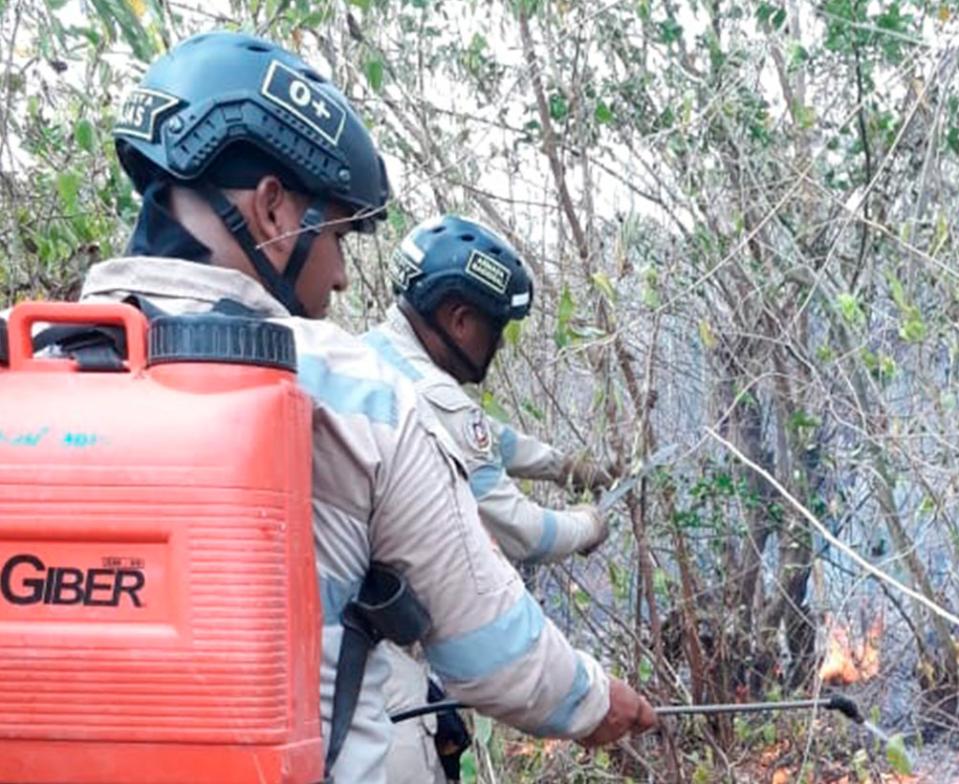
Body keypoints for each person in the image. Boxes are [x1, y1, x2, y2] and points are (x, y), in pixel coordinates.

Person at [75, 30, 655, 784]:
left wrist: (566, 464)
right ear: (275, 210)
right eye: (340, 234)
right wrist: (591, 699)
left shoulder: (41, 360)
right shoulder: (352, 392)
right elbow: (493, 649)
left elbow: (492, 441)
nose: (344, 277)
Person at [365, 216, 618, 781]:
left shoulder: (372, 359)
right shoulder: (434, 395)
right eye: (495, 329)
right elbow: (522, 531)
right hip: (374, 672)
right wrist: (589, 525)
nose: (498, 345)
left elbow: (487, 437)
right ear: (459, 319)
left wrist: (565, 467)